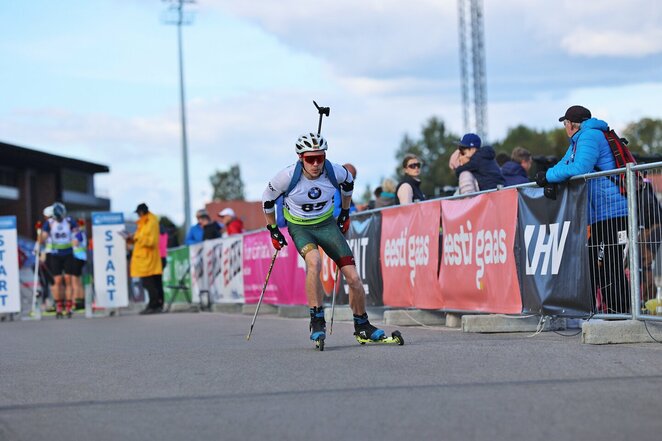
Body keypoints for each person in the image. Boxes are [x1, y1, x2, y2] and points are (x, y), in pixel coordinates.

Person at [261, 132, 387, 345]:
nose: (316, 163)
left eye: (321, 157)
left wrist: (345, 213)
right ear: (301, 157)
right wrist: (273, 229)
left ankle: (362, 325)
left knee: (354, 278)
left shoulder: (334, 171)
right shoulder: (286, 176)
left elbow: (348, 185)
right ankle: (317, 317)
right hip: (300, 226)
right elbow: (267, 199)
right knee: (315, 262)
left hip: (326, 224)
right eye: (311, 158)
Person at [535, 105, 629, 313]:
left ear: (570, 124)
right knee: (599, 262)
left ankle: (619, 312)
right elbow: (564, 163)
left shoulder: (589, 137)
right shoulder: (581, 139)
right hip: (602, 212)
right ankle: (615, 311)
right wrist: (549, 175)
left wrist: (548, 177)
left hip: (611, 211)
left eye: (565, 124)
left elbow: (579, 168)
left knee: (606, 263)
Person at [40, 202, 77, 318]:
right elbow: (43, 238)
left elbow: (78, 234)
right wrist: (41, 235)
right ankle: (59, 305)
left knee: (68, 279)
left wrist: (76, 239)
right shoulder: (49, 223)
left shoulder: (70, 221)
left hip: (68, 253)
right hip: (55, 254)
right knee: (57, 280)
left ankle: (69, 306)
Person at [128, 203, 164, 314]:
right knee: (152, 283)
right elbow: (141, 237)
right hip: (145, 258)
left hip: (148, 259)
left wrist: (136, 237)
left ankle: (154, 305)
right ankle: (156, 304)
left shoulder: (151, 222)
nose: (138, 216)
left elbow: (151, 241)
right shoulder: (144, 222)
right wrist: (131, 238)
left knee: (149, 283)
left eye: (138, 213)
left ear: (142, 212)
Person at [71, 218, 88, 310]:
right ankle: (81, 301)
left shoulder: (79, 233)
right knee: (78, 281)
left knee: (75, 281)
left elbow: (75, 243)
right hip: (80, 258)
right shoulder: (81, 233)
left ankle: (76, 301)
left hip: (78, 258)